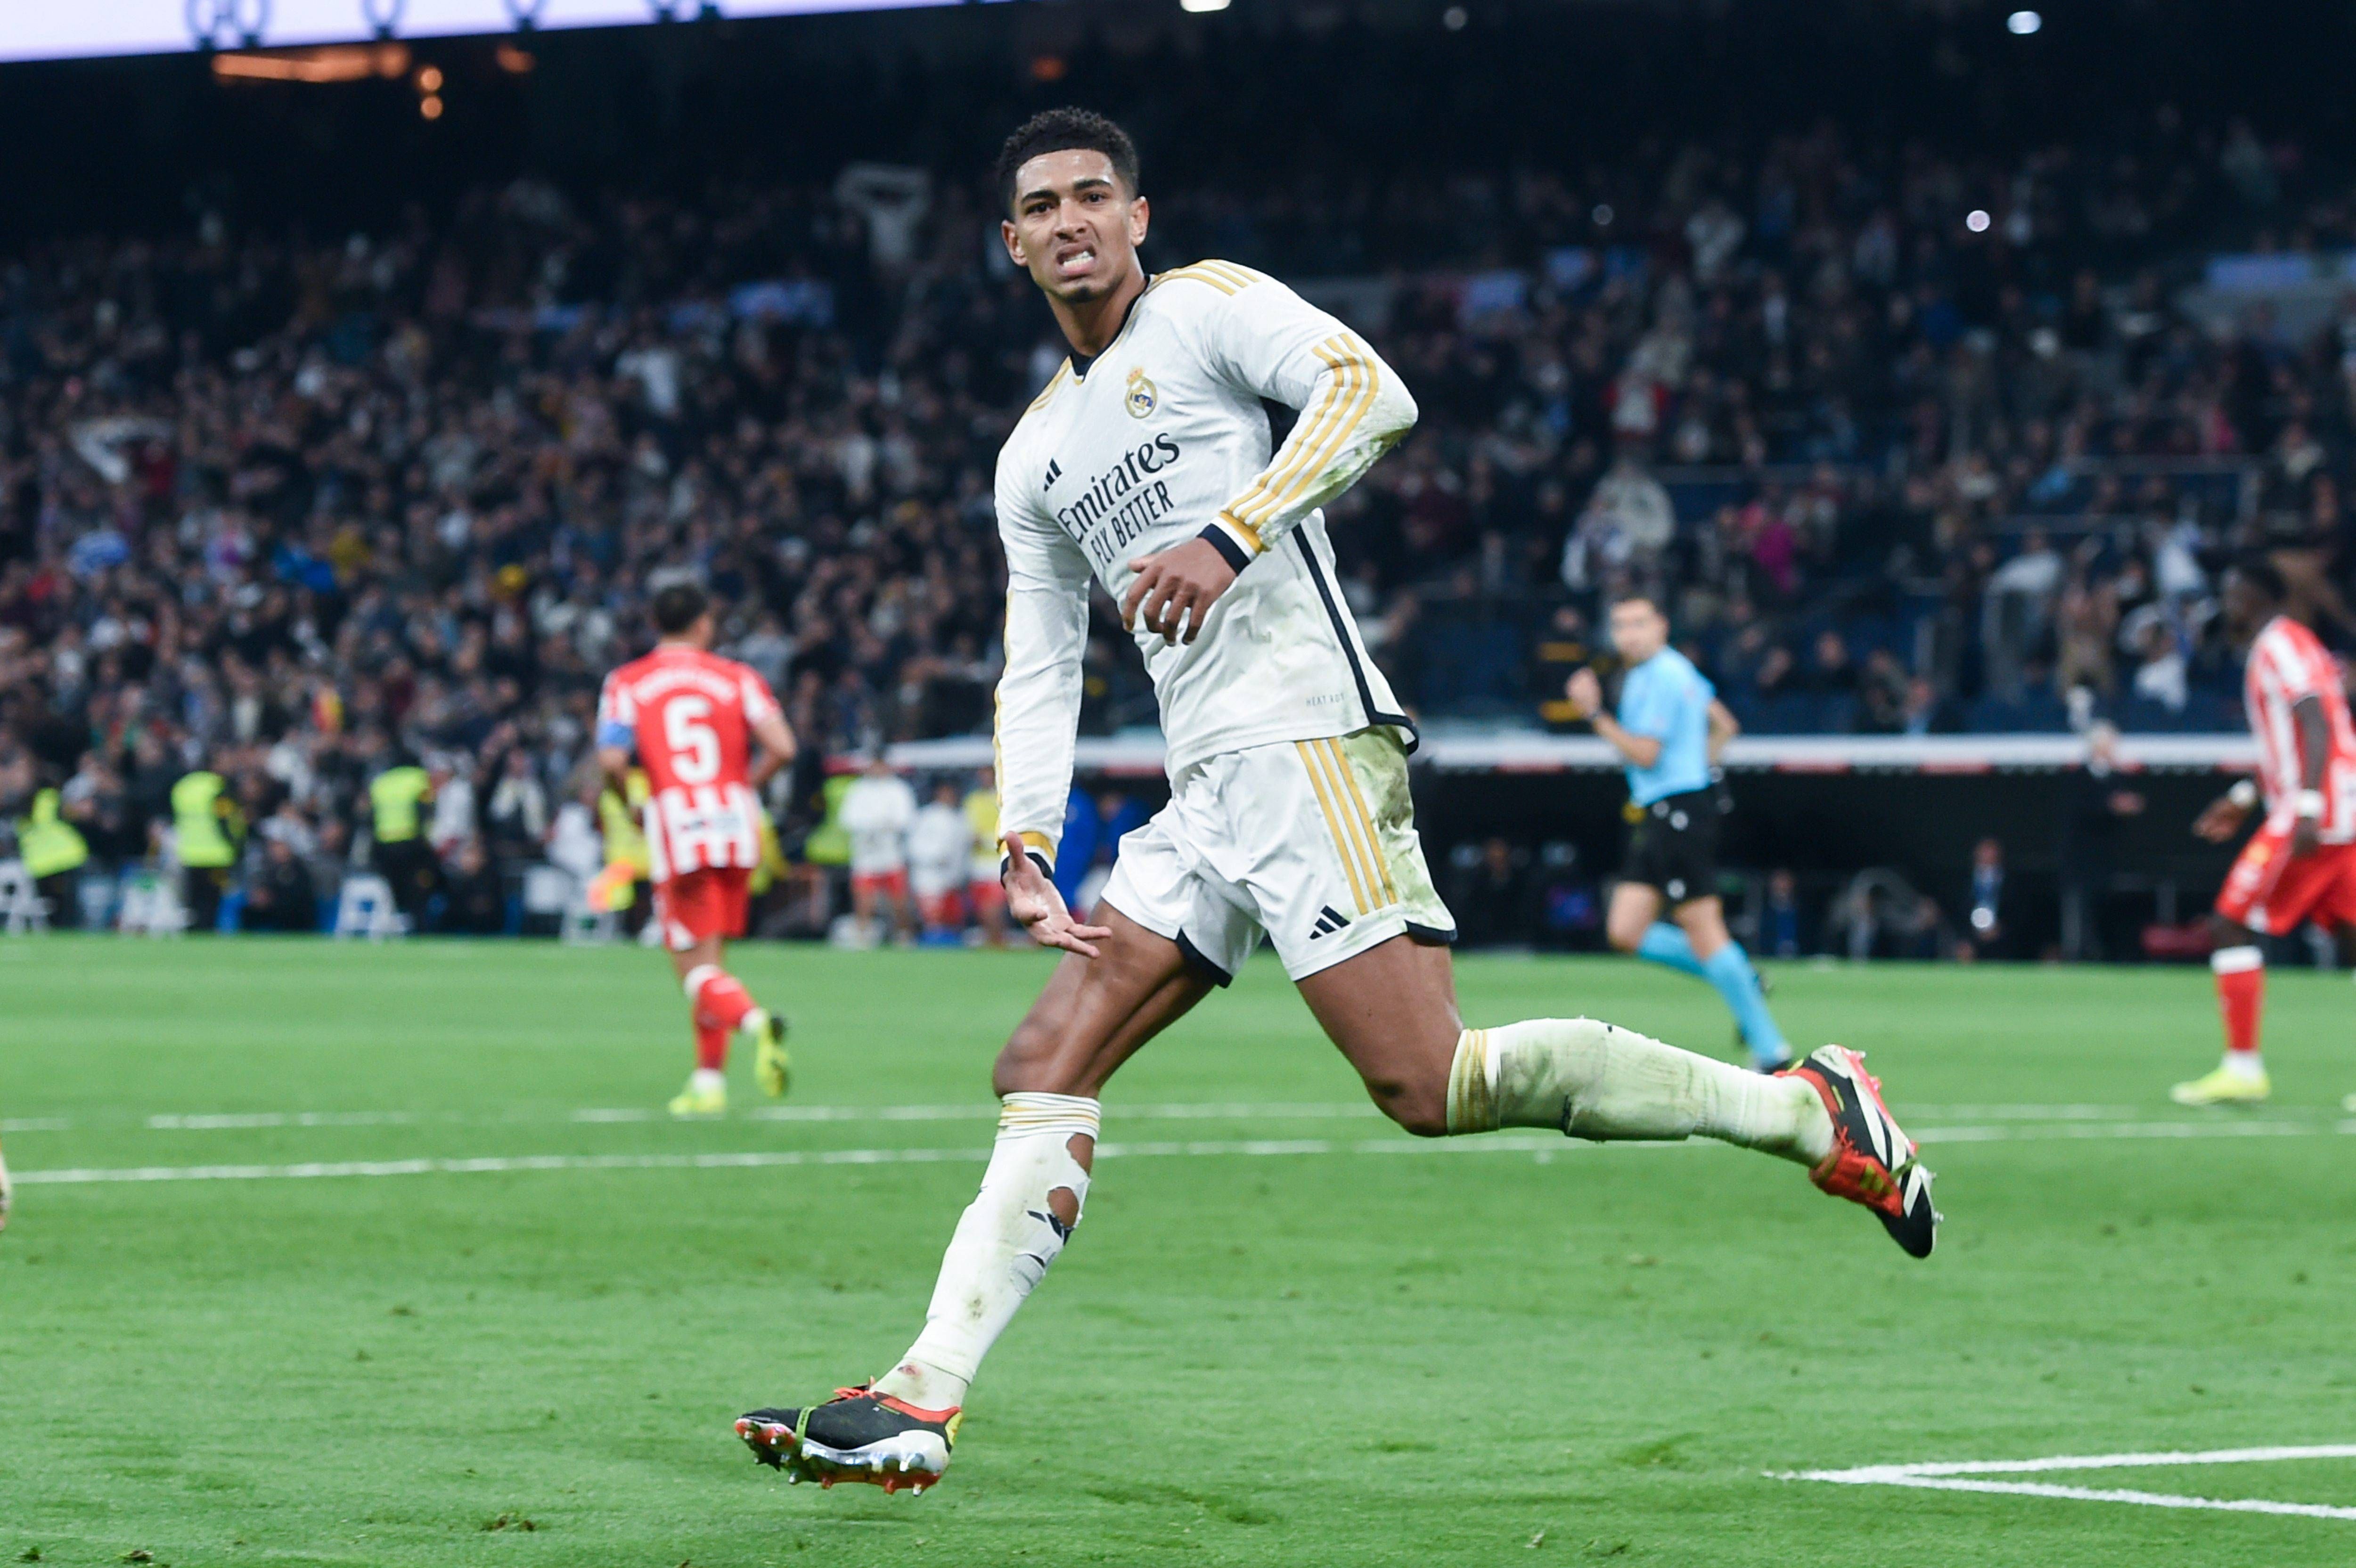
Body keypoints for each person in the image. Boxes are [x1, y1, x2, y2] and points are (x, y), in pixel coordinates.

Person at [735, 108, 1936, 1494]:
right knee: (1038, 1066)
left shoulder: (1204, 311)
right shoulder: (1032, 456)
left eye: (1091, 196)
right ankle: (917, 1393)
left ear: (1137, 216)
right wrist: (1023, 839)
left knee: (1429, 1083)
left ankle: (1805, 1109)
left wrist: (1229, 530)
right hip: (1205, 792)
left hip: (1308, 742)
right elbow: (1038, 656)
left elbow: (1371, 393)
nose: (1068, 220)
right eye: (1040, 208)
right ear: (1009, 245)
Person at [597, 580, 798, 1117]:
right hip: (735, 823)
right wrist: (743, 786)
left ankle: (756, 1024)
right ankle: (708, 1084)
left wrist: (632, 804)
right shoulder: (737, 677)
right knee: (714, 962)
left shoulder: (628, 682)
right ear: (704, 623)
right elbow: (782, 746)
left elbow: (613, 762)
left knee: (693, 970)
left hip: (679, 826)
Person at [1567, 595, 1792, 1070]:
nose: (1628, 633)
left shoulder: (1658, 677)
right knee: (1624, 930)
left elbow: (1644, 754)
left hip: (1677, 810)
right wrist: (1698, 764)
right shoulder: (1677, 671)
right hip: (1666, 809)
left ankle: (1770, 1047)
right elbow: (1724, 725)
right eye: (1620, 624)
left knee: (1703, 928)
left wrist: (1592, 715)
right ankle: (1739, 974)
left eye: (1638, 623)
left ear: (1661, 626)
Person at [2172, 557, 2356, 1106]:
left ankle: (2242, 1068)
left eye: (2234, 594)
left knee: (2229, 922)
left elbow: (2314, 718)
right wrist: (2243, 796)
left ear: (2257, 595)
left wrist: (2303, 805)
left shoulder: (2279, 642)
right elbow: (2291, 739)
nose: (2228, 606)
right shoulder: (2289, 645)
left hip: (2317, 816)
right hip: (2336, 809)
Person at [839, 755, 917, 945]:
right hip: (866, 853)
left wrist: (886, 826)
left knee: (898, 900)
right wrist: (870, 827)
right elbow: (847, 819)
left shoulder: (899, 789)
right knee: (864, 899)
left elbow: (906, 819)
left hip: (891, 853)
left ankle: (904, 936)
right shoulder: (858, 790)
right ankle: (863, 936)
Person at [367, 741, 438, 932]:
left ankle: (397, 924)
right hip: (411, 842)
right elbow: (426, 810)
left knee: (394, 890)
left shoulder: (380, 783)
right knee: (419, 886)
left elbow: (372, 816)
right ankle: (418, 926)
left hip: (384, 843)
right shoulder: (419, 778)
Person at [171, 756, 244, 934]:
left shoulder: (182, 787)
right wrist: (236, 845)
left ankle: (192, 934)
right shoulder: (218, 787)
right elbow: (224, 819)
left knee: (192, 902)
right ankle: (206, 933)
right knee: (211, 902)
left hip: (189, 853)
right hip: (216, 855)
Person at [15, 781, 89, 930]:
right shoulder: (47, 797)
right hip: (61, 858)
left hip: (45, 862)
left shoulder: (38, 799)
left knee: (53, 906)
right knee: (61, 907)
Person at [908, 779, 973, 945]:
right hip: (930, 874)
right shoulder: (925, 816)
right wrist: (935, 857)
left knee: (951, 916)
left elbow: (963, 848)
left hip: (953, 876)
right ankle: (930, 941)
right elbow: (913, 845)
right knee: (932, 914)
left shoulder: (960, 817)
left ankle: (949, 944)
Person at [962, 769, 1009, 947]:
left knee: (994, 906)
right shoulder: (973, 800)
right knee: (983, 907)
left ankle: (999, 941)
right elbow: (970, 833)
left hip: (997, 862)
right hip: (979, 864)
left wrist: (990, 841)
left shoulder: (1006, 800)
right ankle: (993, 941)